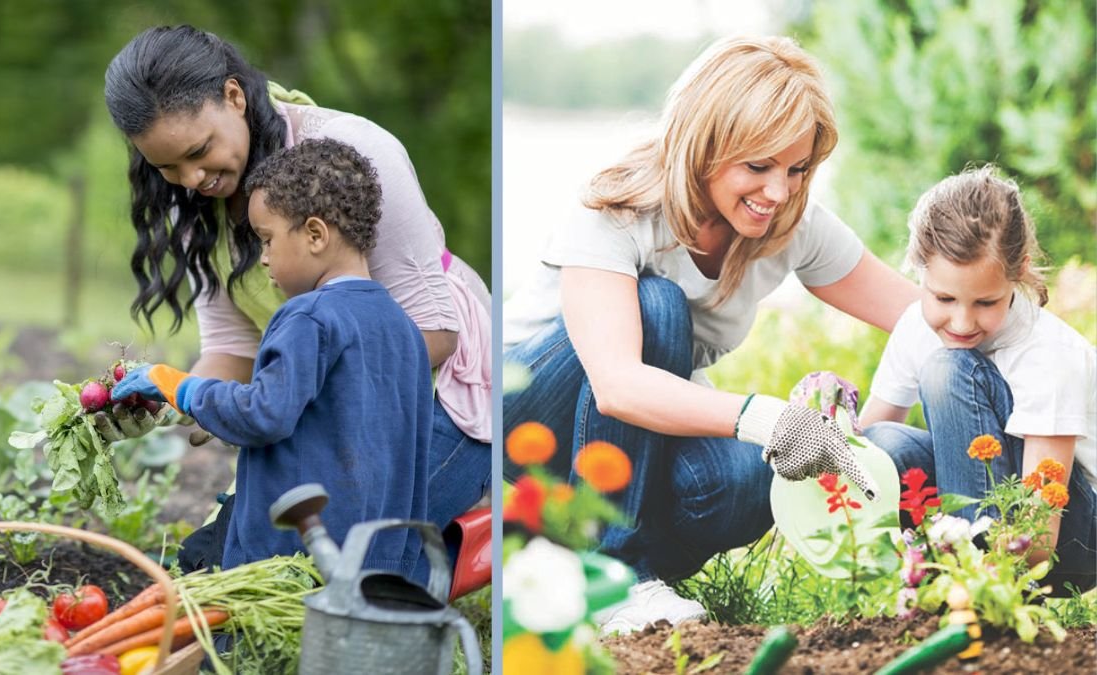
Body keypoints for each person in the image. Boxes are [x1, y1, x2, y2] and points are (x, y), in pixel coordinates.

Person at [502, 35, 919, 634]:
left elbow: (926, 316)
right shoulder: (619, 205)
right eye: (758, 166)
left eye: (797, 169)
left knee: (752, 478)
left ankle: (611, 573)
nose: (778, 191)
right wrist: (772, 418)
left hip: (623, 451)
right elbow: (617, 385)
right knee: (658, 307)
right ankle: (610, 575)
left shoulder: (789, 221)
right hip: (525, 426)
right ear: (706, 145)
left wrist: (1033, 347)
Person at [101, 25, 491, 569]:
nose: (192, 180)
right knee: (223, 560)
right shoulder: (188, 202)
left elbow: (433, 334)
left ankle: (463, 553)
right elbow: (233, 347)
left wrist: (286, 402)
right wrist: (173, 399)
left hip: (432, 394)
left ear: (234, 97)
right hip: (312, 395)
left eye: (200, 151)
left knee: (343, 560)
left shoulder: (354, 152)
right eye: (168, 167)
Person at [112, 138, 432, 576]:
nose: (262, 259)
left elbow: (263, 415)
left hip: (288, 557)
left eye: (266, 239)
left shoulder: (309, 317)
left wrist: (177, 385)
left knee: (207, 588)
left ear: (315, 234)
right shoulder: (403, 327)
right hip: (375, 561)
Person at [860, 166, 1096, 592]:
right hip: (996, 515)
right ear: (919, 269)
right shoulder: (917, 326)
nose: (962, 322)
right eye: (944, 297)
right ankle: (950, 572)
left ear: (1019, 271)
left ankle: (972, 588)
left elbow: (1041, 538)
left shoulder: (1048, 356)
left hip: (1072, 535)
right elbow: (862, 447)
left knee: (949, 368)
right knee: (880, 446)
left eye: (986, 302)